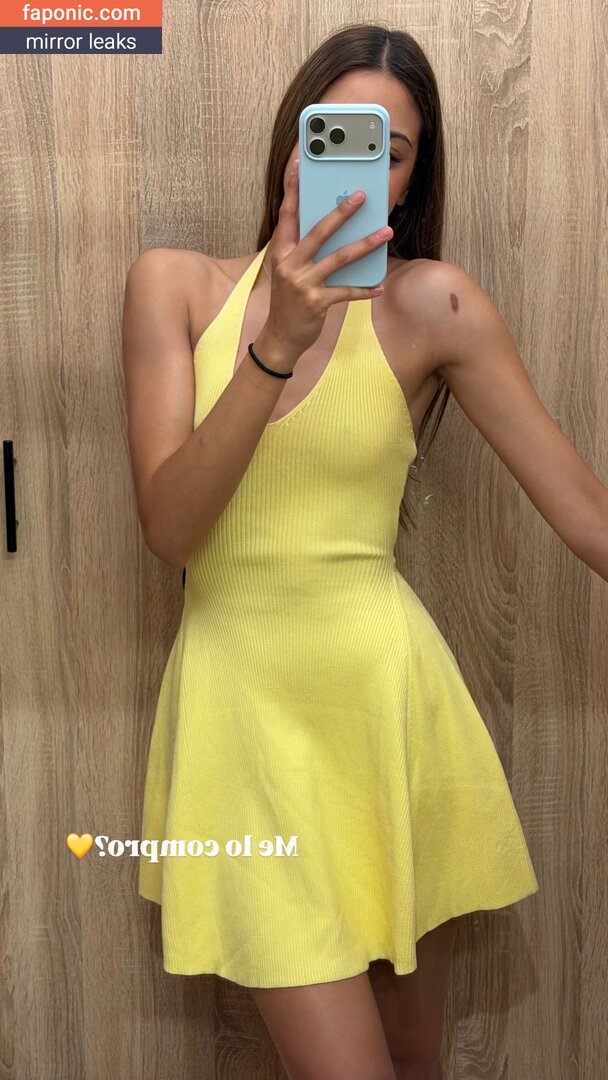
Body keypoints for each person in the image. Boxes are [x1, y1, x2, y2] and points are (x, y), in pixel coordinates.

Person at [122, 23, 608, 1080]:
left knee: (413, 1065)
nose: (358, 166)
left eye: (390, 152)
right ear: (291, 143)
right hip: (239, 727)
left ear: (409, 180)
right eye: (335, 134)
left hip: (386, 719)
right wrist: (278, 343)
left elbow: (585, 514)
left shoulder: (434, 305)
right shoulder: (177, 287)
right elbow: (171, 529)